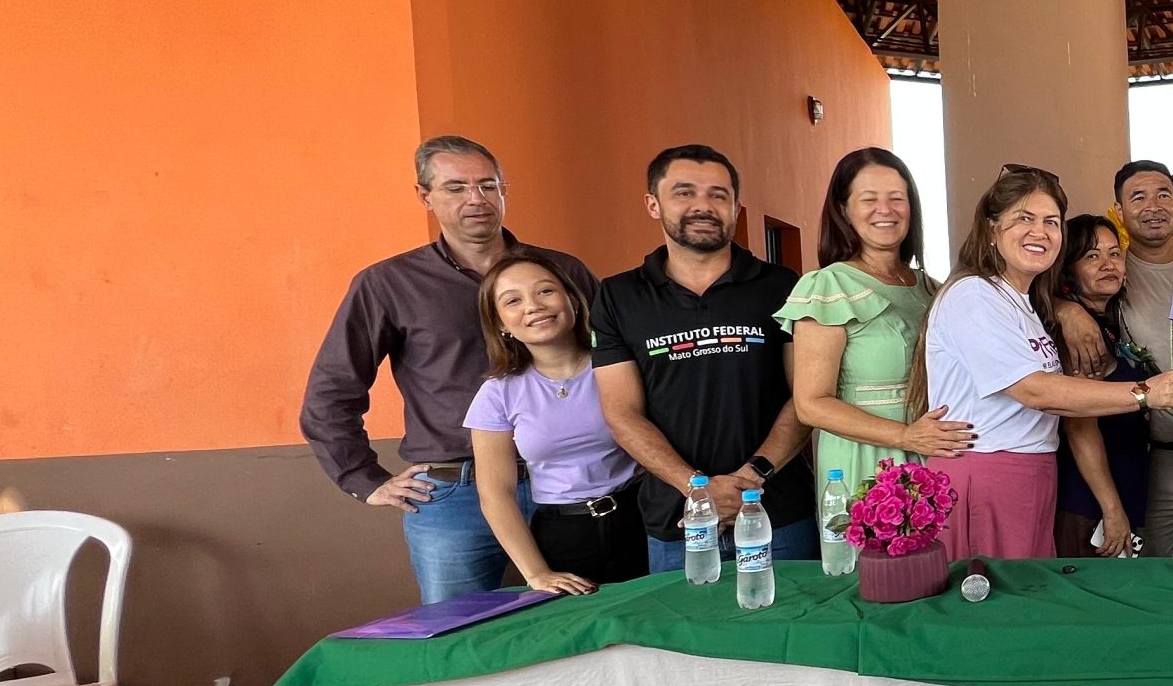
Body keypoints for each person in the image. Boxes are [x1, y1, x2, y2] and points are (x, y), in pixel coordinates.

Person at [302, 135, 596, 603]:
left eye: (487, 185)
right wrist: (363, 480)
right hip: (454, 496)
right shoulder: (388, 284)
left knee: (581, 626)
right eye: (456, 187)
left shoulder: (560, 272)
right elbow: (331, 391)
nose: (476, 200)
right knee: (461, 637)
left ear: (504, 190)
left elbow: (613, 362)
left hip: (567, 482)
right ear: (425, 195)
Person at [915, 166, 1173, 561]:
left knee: (1029, 607)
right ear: (992, 229)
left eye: (1051, 221)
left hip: (1033, 472)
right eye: (1024, 219)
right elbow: (1035, 390)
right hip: (990, 470)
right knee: (988, 609)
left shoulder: (1025, 303)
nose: (1040, 231)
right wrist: (1146, 393)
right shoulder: (973, 295)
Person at [593, 145, 817, 573]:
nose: (703, 206)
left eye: (718, 194)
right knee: (682, 642)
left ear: (735, 207)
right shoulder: (618, 296)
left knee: (790, 634)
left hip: (780, 512)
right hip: (677, 520)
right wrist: (698, 489)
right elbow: (621, 413)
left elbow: (805, 396)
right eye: (684, 192)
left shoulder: (782, 285)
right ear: (652, 204)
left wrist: (750, 481)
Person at [778, 148, 972, 498]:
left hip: (936, 453)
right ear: (843, 210)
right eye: (869, 199)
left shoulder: (933, 289)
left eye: (897, 198)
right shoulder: (828, 286)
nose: (885, 210)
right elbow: (811, 404)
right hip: (865, 459)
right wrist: (905, 436)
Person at [463, 252, 645, 592]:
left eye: (545, 291)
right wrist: (536, 574)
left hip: (641, 520)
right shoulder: (496, 394)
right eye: (513, 300)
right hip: (563, 535)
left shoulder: (619, 368)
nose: (533, 306)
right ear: (501, 322)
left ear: (572, 300)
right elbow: (496, 494)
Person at [1110, 160, 1173, 554]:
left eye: (1164, 195)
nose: (1154, 206)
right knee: (1148, 572)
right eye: (1138, 197)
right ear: (1119, 211)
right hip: (1149, 458)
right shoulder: (1110, 273)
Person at [1054, 215, 1155, 556]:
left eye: (1114, 254)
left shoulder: (1108, 321)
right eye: (1092, 256)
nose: (1107, 264)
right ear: (1068, 268)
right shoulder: (1080, 333)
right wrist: (1111, 509)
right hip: (1088, 502)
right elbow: (1079, 423)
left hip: (1123, 485)